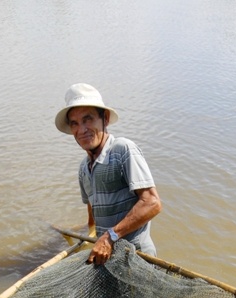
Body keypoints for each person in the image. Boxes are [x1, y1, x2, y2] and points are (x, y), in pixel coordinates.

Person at [55, 83, 162, 266]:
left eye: (87, 119)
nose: (81, 130)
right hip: (107, 260)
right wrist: (93, 237)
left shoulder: (122, 150)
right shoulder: (83, 169)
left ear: (104, 118)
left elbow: (152, 203)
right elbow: (92, 212)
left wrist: (109, 237)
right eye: (75, 123)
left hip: (137, 259)